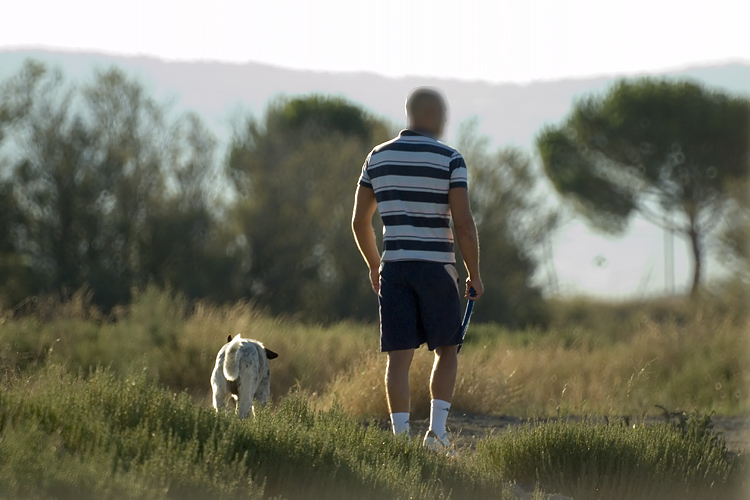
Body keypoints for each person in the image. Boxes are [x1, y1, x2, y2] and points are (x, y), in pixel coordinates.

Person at [351, 87, 483, 451]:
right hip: (437, 268)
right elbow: (464, 225)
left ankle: (400, 441)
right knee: (447, 350)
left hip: (395, 269)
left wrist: (374, 264)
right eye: (442, 114)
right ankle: (436, 435)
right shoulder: (450, 159)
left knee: (399, 358)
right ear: (432, 114)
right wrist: (474, 273)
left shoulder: (376, 157)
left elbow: (359, 221)